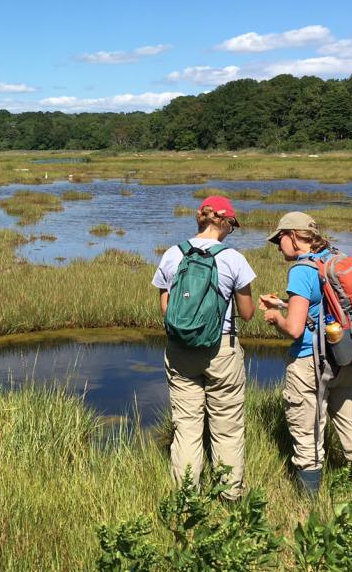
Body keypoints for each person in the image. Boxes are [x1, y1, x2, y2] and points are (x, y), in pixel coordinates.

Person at [259, 212, 352, 495]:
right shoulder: (335, 259)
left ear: (293, 236)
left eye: (279, 239)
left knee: (308, 439)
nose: (278, 246)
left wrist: (275, 316)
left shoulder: (301, 270)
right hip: (347, 357)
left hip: (311, 363)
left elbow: (295, 329)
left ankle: (306, 511)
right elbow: (323, 308)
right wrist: (286, 303)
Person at [152, 195, 256, 499]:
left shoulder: (172, 254)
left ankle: (187, 497)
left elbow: (165, 308)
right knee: (227, 427)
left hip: (180, 349)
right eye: (232, 226)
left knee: (186, 427)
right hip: (222, 349)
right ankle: (229, 495)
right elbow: (247, 315)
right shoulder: (233, 259)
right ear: (223, 222)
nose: (231, 231)